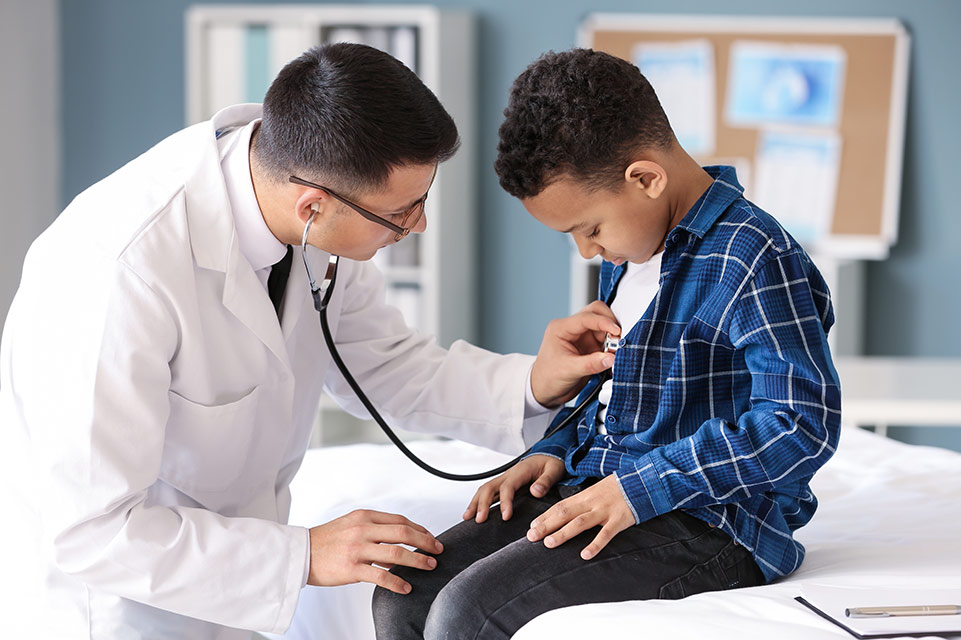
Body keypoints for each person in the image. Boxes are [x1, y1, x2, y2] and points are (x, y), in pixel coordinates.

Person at [0, 44, 621, 638]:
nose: (418, 224)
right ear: (313, 206)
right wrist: (306, 554)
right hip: (111, 613)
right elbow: (89, 531)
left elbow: (382, 364)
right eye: (401, 213)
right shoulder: (117, 269)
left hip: (221, 599)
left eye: (422, 200)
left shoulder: (307, 216)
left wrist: (533, 382)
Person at [372, 48, 842, 640]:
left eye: (588, 230)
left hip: (708, 520)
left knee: (471, 612)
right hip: (601, 489)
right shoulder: (636, 246)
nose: (588, 252)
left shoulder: (754, 257)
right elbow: (621, 394)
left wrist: (638, 488)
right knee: (405, 593)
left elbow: (801, 424)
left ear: (645, 178)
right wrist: (557, 449)